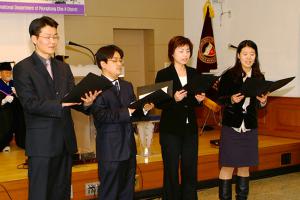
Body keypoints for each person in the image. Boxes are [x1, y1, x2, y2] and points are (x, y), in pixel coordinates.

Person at [13, 16, 99, 200]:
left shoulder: (63, 68)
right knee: (40, 194)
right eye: (47, 37)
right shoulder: (23, 68)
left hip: (65, 142)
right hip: (42, 144)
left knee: (62, 193)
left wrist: (87, 103)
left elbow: (72, 99)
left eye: (55, 37)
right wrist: (59, 104)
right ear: (34, 39)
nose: (52, 41)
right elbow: (29, 103)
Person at [91, 44, 154, 200]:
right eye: (115, 60)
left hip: (128, 147)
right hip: (110, 150)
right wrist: (127, 112)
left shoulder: (127, 86)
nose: (120, 64)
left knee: (128, 192)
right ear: (103, 64)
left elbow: (134, 113)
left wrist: (144, 109)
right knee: (109, 193)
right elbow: (100, 115)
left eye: (121, 60)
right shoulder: (95, 87)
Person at [155, 36, 206, 200]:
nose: (185, 54)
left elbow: (192, 100)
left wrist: (198, 100)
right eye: (181, 51)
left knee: (190, 168)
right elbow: (158, 102)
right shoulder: (164, 74)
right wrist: (173, 99)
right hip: (170, 128)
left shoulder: (193, 73)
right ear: (172, 52)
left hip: (190, 127)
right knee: (171, 169)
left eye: (188, 51)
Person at [217, 40, 268, 200]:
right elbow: (219, 99)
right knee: (227, 166)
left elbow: (258, 106)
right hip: (232, 126)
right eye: (245, 54)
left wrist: (263, 101)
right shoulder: (229, 75)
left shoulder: (259, 76)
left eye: (252, 54)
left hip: (249, 127)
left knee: (244, 167)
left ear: (256, 56)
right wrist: (231, 100)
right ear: (238, 55)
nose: (248, 58)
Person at [0, 62, 26, 152]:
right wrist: (3, 100)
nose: (9, 74)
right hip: (3, 110)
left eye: (10, 72)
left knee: (21, 118)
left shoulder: (14, 83)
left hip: (15, 109)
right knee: (5, 119)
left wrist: (17, 94)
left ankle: (22, 142)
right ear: (0, 74)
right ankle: (3, 144)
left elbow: (22, 98)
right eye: (6, 72)